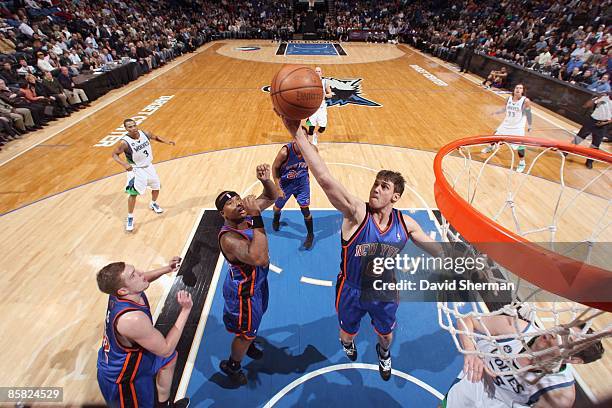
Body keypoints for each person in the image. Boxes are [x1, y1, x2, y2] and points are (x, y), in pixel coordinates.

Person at [277, 115, 442, 381]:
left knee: (386, 334)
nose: (376, 189)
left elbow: (438, 251)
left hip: (384, 290)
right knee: (346, 333)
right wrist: (297, 132)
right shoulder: (356, 213)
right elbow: (324, 178)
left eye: (384, 187)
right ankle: (347, 343)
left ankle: (384, 354)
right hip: (351, 288)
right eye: (376, 184)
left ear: (395, 196)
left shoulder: (406, 223)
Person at [442, 312, 604, 407]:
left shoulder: (560, 392)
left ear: (573, 359)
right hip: (464, 390)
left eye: (566, 338)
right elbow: (467, 320)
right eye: (563, 328)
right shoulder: (517, 329)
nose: (556, 333)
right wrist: (471, 351)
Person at [96, 258, 192, 408]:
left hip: (132, 356)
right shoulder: (132, 319)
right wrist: (185, 310)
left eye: (135, 270)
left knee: (169, 360)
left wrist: (167, 268)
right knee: (168, 354)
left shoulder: (120, 292)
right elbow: (166, 349)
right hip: (124, 378)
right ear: (123, 291)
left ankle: (164, 406)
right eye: (133, 275)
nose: (141, 274)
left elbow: (144, 277)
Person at [215, 164, 278, 385]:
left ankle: (249, 344)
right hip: (244, 294)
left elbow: (272, 196)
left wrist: (265, 180)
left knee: (254, 323)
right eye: (229, 204)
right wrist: (257, 217)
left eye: (238, 199)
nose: (237, 204)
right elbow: (258, 257)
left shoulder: (245, 216)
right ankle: (232, 365)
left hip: (257, 284)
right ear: (223, 214)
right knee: (245, 333)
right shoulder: (229, 238)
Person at [111, 119, 175, 232]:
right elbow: (114, 155)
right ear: (126, 129)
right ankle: (130, 217)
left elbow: (156, 137)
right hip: (136, 170)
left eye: (134, 125)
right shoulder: (124, 143)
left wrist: (167, 141)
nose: (133, 128)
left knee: (156, 187)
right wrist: (124, 164)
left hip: (149, 166)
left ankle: (153, 204)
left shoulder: (145, 133)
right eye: (130, 127)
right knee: (133, 194)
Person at [271, 132, 316, 249]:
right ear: (295, 139)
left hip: (302, 183)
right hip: (286, 184)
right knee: (277, 208)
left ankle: (310, 235)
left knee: (305, 209)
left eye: (305, 139)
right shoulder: (285, 152)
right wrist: (278, 187)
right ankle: (276, 219)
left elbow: (315, 157)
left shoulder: (310, 149)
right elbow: (274, 168)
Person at [482, 84, 533, 173]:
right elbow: (504, 109)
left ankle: (522, 163)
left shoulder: (525, 101)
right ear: (514, 89)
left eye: (520, 88)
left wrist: (530, 125)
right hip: (506, 124)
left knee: (520, 146)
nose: (518, 89)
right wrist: (496, 112)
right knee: (494, 136)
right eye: (516, 88)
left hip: (517, 126)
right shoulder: (508, 98)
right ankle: (491, 147)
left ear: (523, 91)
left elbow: (528, 113)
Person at [570, 91, 611, 169]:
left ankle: (589, 161)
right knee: (579, 138)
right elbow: (586, 105)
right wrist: (597, 97)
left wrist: (604, 123)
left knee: (596, 144)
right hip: (592, 120)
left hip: (604, 124)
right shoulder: (603, 97)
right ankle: (566, 151)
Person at [306, 66, 333, 145]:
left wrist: (325, 95)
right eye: (316, 71)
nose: (317, 73)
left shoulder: (325, 82)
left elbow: (330, 94)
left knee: (323, 128)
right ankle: (309, 144)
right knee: (310, 127)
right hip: (312, 107)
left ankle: (316, 136)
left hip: (321, 107)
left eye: (319, 71)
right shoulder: (310, 82)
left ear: (321, 73)